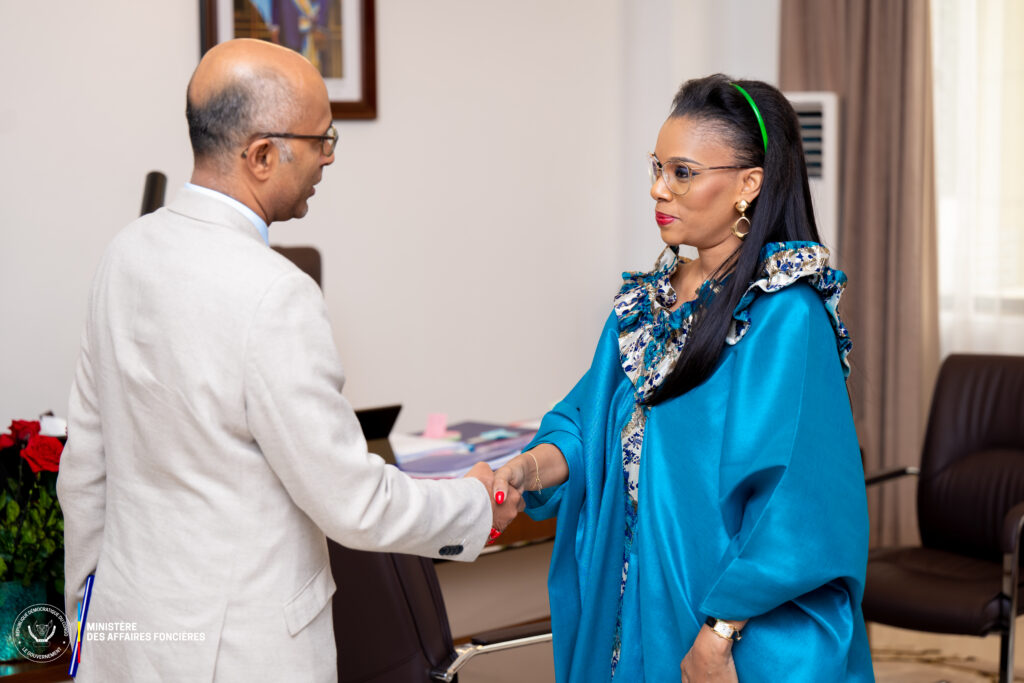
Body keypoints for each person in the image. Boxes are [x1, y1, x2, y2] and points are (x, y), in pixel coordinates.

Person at [57, 38, 518, 682]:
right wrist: (474, 505)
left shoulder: (124, 253)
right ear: (262, 156)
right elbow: (352, 502)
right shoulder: (275, 293)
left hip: (127, 641)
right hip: (240, 657)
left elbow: (84, 467)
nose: (329, 156)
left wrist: (90, 624)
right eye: (321, 139)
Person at [493, 74, 873, 682]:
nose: (658, 188)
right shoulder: (647, 305)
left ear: (749, 184)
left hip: (728, 626)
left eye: (682, 172)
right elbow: (588, 423)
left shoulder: (783, 316)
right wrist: (526, 469)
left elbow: (797, 503)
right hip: (632, 603)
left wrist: (720, 633)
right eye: (657, 167)